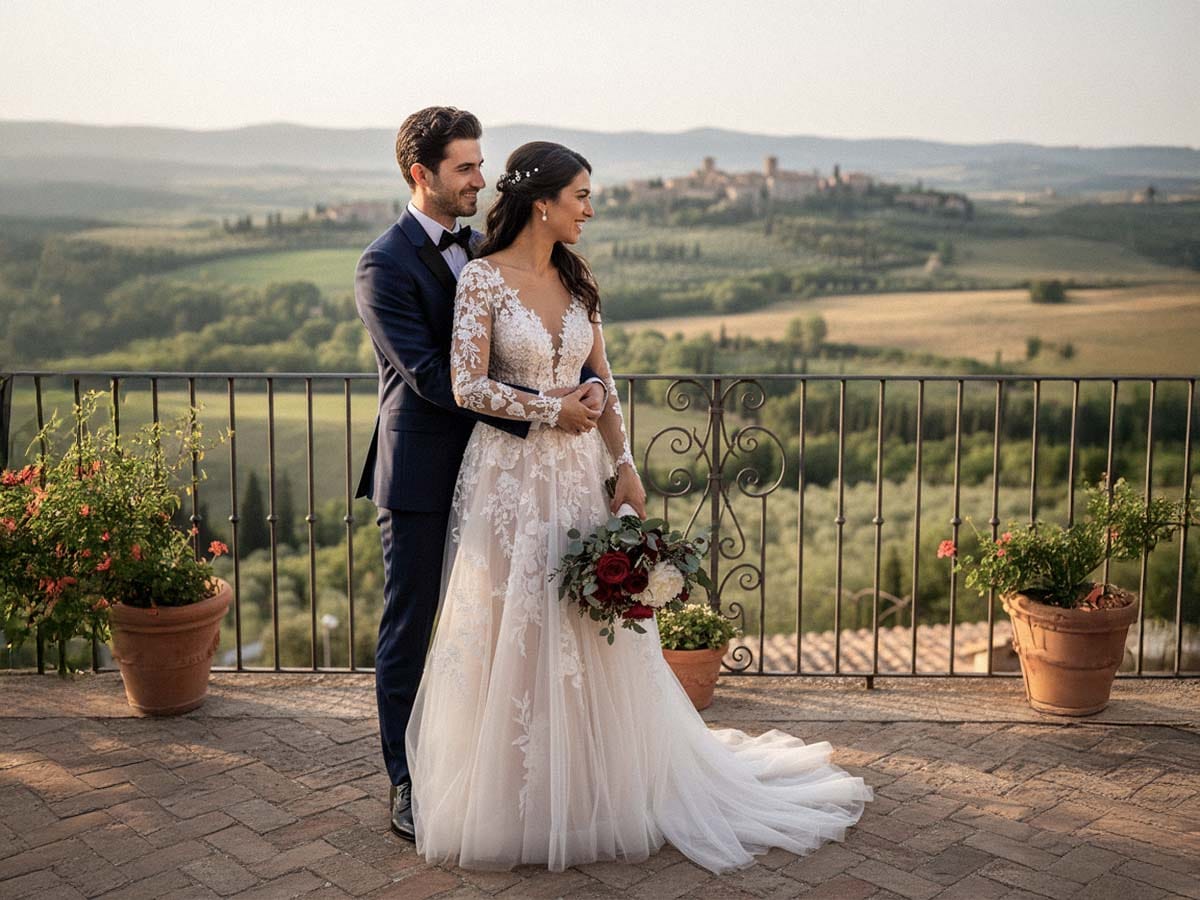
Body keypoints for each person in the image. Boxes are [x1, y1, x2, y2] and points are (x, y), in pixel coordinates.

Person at [405, 141, 873, 874]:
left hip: (578, 474)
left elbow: (606, 382)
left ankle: (600, 786)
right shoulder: (484, 283)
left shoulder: (578, 282)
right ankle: (516, 798)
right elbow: (466, 386)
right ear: (543, 203)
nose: (590, 209)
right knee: (514, 623)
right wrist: (549, 409)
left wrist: (623, 462)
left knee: (589, 625)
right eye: (582, 195)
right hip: (508, 480)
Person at [353, 108, 608, 842]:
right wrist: (548, 410)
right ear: (420, 175)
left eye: (480, 162)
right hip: (427, 473)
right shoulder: (383, 265)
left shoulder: (486, 250)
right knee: (415, 624)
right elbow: (435, 377)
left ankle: (511, 772)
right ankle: (406, 782)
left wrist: (573, 407)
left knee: (509, 622)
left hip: (506, 473)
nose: (480, 177)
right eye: (464, 167)